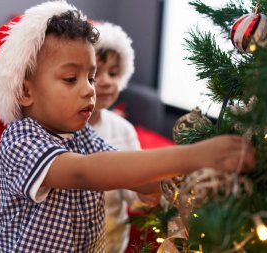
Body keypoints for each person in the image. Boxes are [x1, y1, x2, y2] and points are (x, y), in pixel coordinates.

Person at [0, 1, 256, 252]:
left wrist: (198, 179)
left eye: (90, 78)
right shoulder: (19, 139)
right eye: (71, 79)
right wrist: (195, 155)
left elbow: (133, 175)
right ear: (25, 92)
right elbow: (87, 172)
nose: (89, 90)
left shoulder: (82, 135)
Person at [88, 21, 159, 253]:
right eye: (96, 73)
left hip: (112, 241)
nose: (107, 81)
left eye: (114, 73)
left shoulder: (124, 131)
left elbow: (133, 193)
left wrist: (144, 196)